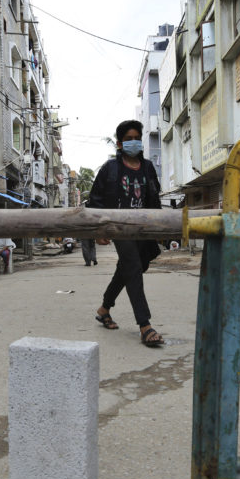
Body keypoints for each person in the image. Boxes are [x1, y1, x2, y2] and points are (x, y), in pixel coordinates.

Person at [87, 120, 164, 347]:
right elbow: (96, 199)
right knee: (132, 267)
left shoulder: (148, 167)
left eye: (136, 138)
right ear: (120, 144)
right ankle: (145, 325)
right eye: (128, 139)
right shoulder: (110, 168)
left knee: (131, 267)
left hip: (142, 228)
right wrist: (99, 230)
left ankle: (104, 309)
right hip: (118, 227)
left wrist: (158, 227)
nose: (133, 142)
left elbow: (154, 197)